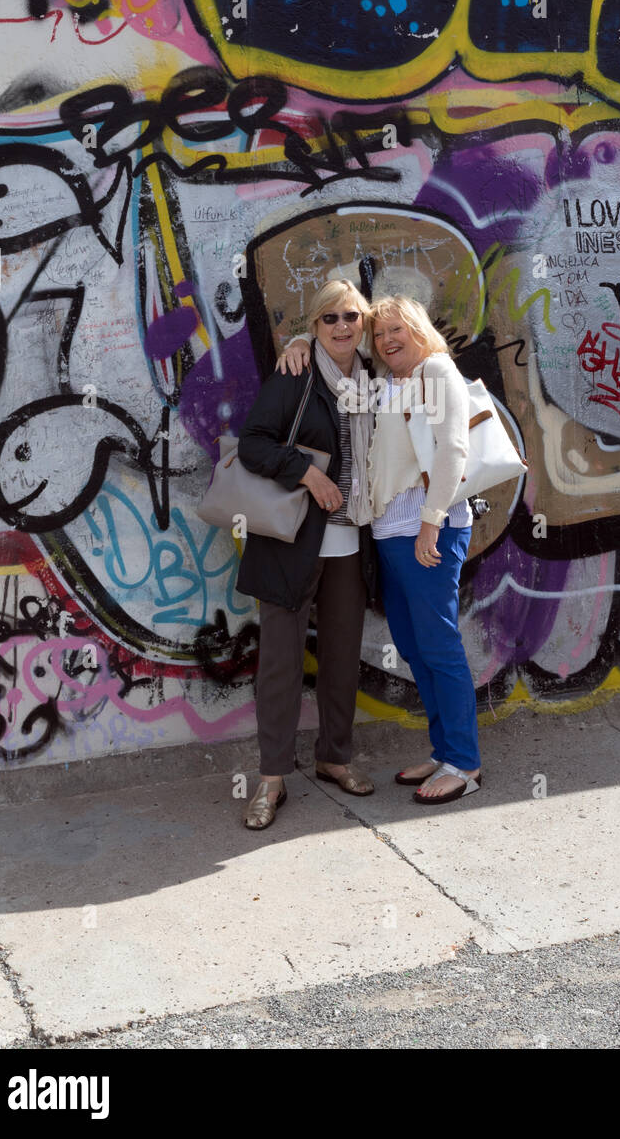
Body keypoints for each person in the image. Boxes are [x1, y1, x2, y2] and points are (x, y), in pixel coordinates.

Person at [278, 295, 481, 806]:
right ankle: (443, 752)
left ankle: (465, 762)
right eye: (381, 332)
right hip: (391, 532)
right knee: (414, 646)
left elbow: (455, 448)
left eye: (398, 329)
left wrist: (432, 524)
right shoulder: (385, 382)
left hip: (427, 529)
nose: (388, 340)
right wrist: (301, 340)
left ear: (418, 329)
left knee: (438, 644)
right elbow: (333, 359)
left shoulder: (435, 370)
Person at [236, 280, 376, 830]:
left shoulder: (374, 376)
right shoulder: (296, 372)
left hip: (351, 541)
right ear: (314, 325)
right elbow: (253, 443)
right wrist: (307, 472)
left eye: (351, 317)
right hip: (293, 542)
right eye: (328, 319)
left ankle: (334, 757)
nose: (342, 327)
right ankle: (271, 779)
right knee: (280, 663)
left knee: (343, 656)